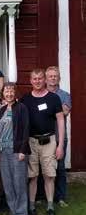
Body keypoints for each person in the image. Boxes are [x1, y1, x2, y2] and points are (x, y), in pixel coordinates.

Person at [21, 68, 65, 215]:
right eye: (34, 79)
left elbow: (60, 120)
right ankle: (32, 206)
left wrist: (60, 145)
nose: (37, 81)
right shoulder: (25, 99)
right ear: (30, 81)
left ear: (45, 80)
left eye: (40, 78)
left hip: (49, 142)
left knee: (49, 175)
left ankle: (50, 206)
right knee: (32, 176)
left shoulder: (54, 98)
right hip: (31, 142)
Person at [0, 83, 30, 215]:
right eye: (6, 91)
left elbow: (25, 129)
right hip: (3, 150)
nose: (9, 94)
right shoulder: (2, 109)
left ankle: (22, 214)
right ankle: (13, 211)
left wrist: (23, 150)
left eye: (11, 91)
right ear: (3, 93)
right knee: (8, 183)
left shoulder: (21, 108)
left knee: (19, 183)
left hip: (17, 150)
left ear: (15, 93)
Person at [46, 66, 72, 207]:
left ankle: (60, 197)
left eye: (55, 76)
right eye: (50, 76)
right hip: (45, 137)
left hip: (60, 137)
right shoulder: (42, 93)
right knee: (44, 167)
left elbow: (65, 111)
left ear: (59, 78)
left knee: (60, 167)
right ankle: (43, 196)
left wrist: (47, 112)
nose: (53, 78)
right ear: (46, 78)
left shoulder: (65, 95)